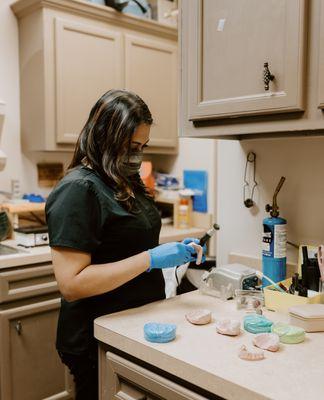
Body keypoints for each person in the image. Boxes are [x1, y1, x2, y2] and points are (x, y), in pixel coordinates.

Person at [45, 89, 204, 400]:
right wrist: (150, 258)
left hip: (134, 327)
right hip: (96, 337)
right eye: (131, 146)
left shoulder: (123, 180)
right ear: (104, 137)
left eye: (142, 146)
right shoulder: (79, 189)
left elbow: (129, 242)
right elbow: (71, 284)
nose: (138, 155)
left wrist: (172, 251)